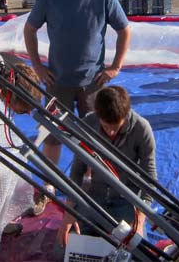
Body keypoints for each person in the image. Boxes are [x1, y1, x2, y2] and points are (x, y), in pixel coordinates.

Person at [23, 0, 131, 215]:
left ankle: (93, 184)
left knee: (96, 136)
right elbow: (29, 29)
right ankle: (49, 186)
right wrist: (37, 65)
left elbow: (124, 30)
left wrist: (115, 67)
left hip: (92, 83)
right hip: (57, 81)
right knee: (52, 135)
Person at [56, 86, 157, 246]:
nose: (110, 132)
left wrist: (139, 220)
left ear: (126, 115)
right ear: (98, 115)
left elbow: (149, 179)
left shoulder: (142, 129)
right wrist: (70, 212)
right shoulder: (88, 123)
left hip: (126, 200)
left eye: (115, 127)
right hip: (94, 199)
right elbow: (77, 170)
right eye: (106, 126)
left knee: (135, 250)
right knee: (65, 246)